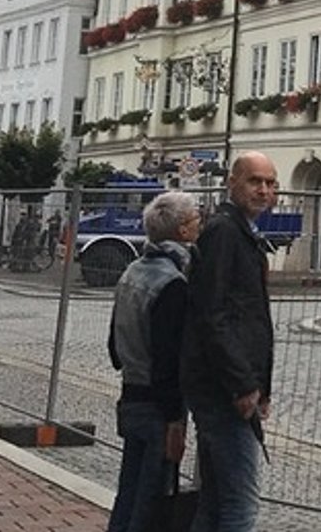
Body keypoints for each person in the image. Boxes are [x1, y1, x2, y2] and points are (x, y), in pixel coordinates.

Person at [181, 152, 279, 531]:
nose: (264, 190)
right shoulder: (225, 232)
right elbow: (214, 315)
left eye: (270, 183)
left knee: (215, 502)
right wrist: (243, 385)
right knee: (239, 506)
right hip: (224, 392)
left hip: (224, 387)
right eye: (255, 181)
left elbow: (243, 317)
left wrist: (261, 386)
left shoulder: (239, 231)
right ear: (232, 183)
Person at [106, 191, 202, 532]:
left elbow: (114, 347)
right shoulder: (173, 283)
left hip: (130, 395)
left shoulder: (132, 272)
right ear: (182, 232)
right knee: (150, 503)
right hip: (157, 408)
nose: (199, 226)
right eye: (195, 221)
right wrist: (175, 420)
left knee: (128, 493)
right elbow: (168, 359)